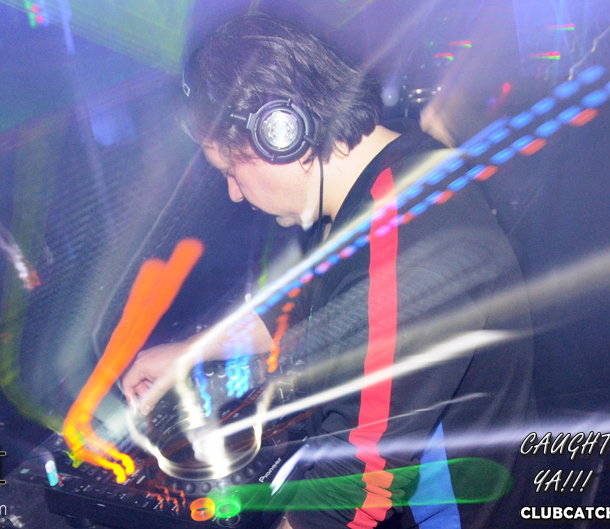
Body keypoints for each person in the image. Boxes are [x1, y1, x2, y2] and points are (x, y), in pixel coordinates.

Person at [122, 14, 534, 529]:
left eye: (231, 170)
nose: (234, 192)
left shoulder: (403, 245)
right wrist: (191, 352)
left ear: (282, 135)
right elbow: (316, 302)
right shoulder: (393, 172)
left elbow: (357, 488)